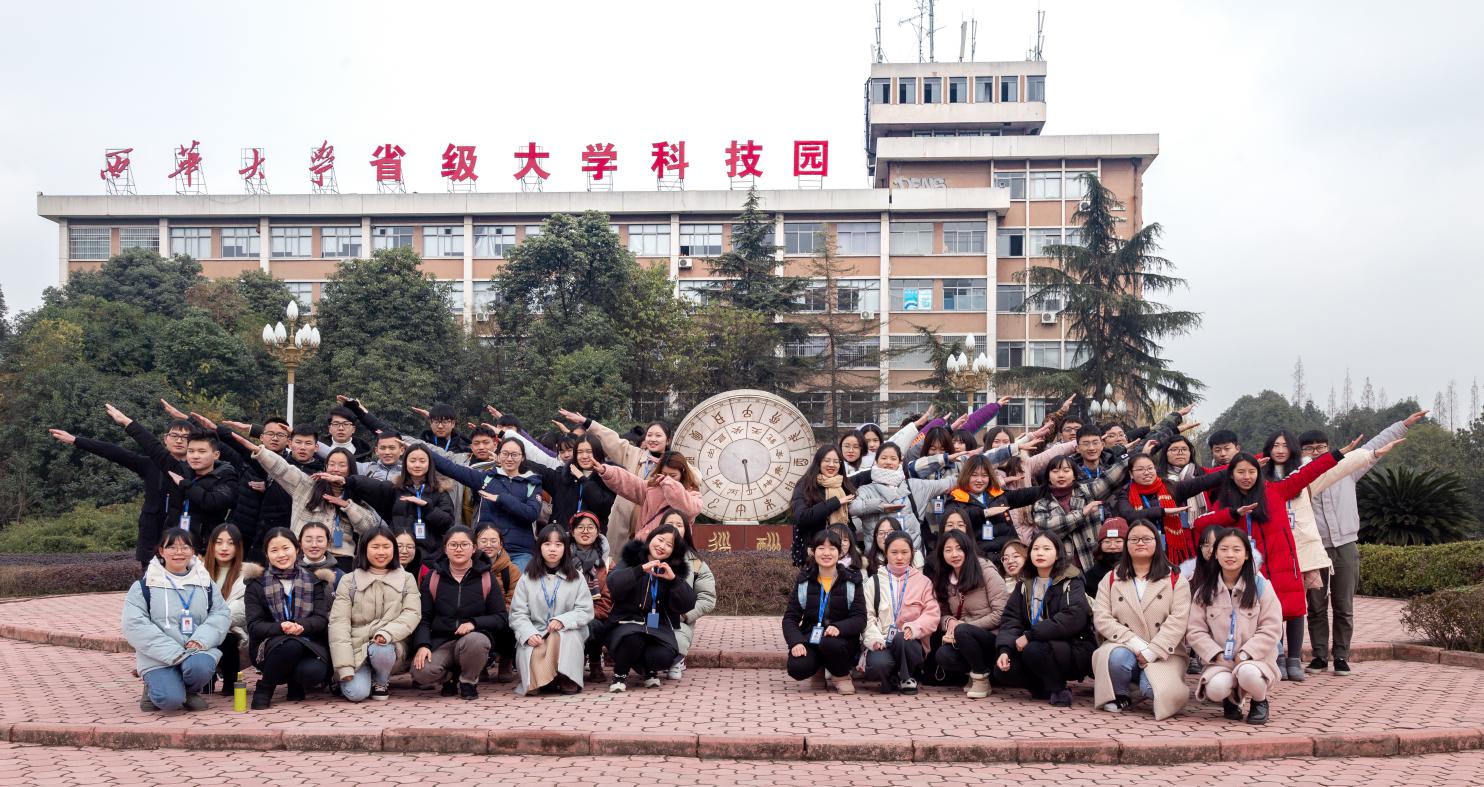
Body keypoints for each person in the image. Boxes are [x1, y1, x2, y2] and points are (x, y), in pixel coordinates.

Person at [1194, 443, 1349, 681]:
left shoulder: (1276, 490)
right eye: (1240, 472)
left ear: (1259, 473)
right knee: (1262, 614)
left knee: (1294, 609)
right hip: (1251, 568)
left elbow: (1308, 472)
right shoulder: (1225, 500)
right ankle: (1276, 658)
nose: (1246, 477)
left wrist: (1336, 454)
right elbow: (1201, 523)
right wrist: (1234, 514)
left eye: (1251, 471)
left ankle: (1293, 658)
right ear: (1231, 475)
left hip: (1283, 562)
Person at [1304, 411, 1421, 676]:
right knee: (1316, 605)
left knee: (1344, 605)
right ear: (1301, 453)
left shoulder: (1346, 470)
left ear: (1329, 448)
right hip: (1314, 549)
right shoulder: (1300, 478)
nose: (1316, 452)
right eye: (1309, 449)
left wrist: (1403, 425)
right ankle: (1319, 656)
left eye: (1320, 447)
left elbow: (1372, 447)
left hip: (1345, 545)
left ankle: (1341, 656)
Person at [51, 405, 192, 569]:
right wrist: (77, 440)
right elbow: (114, 452)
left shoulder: (197, 469)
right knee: (151, 581)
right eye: (174, 435)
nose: (179, 440)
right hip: (152, 539)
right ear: (165, 439)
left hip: (184, 539)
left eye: (185, 437)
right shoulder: (149, 465)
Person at [227, 431, 381, 571]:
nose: (336, 469)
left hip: (341, 561)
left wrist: (348, 506)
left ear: (351, 469)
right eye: (332, 464)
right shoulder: (307, 486)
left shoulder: (358, 497)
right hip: (303, 558)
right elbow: (284, 469)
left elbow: (369, 528)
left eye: (342, 465)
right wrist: (260, 452)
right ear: (325, 467)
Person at [95, 404, 238, 554]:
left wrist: (184, 484)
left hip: (206, 550)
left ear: (216, 455)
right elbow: (154, 449)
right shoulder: (181, 470)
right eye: (191, 451)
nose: (195, 456)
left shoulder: (226, 475)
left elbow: (212, 502)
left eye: (201, 451)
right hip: (175, 548)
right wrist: (128, 423)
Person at [1090, 520, 1192, 719]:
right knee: (1115, 658)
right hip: (1124, 645)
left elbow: (1178, 620)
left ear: (1157, 542)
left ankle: (1140, 687)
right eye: (1134, 539)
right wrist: (1134, 643)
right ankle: (1120, 694)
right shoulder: (1111, 578)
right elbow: (1102, 617)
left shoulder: (1174, 579)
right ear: (1127, 544)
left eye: (1146, 538)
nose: (1140, 543)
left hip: (1164, 652)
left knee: (1152, 691)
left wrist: (1152, 651)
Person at [122, 527, 231, 712]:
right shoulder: (144, 586)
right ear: (161, 551)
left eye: (185, 547)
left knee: (201, 666)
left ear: (193, 551)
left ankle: (189, 691)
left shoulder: (205, 583)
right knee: (170, 701)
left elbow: (221, 613)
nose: (179, 552)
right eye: (171, 547)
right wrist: (174, 652)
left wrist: (201, 640)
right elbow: (134, 625)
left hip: (195, 651)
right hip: (159, 657)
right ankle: (156, 689)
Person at [1187, 527, 1284, 724]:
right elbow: (1195, 631)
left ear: (1247, 554)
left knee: (1248, 673)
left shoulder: (1261, 587)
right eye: (1223, 549)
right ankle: (1232, 698)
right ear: (1215, 554)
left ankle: (1259, 701)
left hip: (1256, 660)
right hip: (1221, 662)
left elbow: (1271, 628)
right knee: (1215, 689)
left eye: (1236, 549)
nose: (1230, 555)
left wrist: (1246, 654)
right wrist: (1215, 654)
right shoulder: (1205, 591)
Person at [561, 409, 684, 559]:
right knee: (614, 563)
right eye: (650, 435)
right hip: (621, 523)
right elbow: (612, 439)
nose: (653, 439)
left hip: (651, 526)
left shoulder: (672, 464)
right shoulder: (634, 454)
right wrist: (586, 422)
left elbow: (692, 477)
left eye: (658, 436)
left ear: (668, 440)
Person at [994, 530, 1095, 707]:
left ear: (1057, 554)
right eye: (1036, 549)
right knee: (1003, 670)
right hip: (1036, 646)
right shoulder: (1025, 583)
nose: (1040, 553)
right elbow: (1011, 619)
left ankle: (1059, 690)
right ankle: (1042, 688)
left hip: (1073, 646)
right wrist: (1005, 650)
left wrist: (1030, 635)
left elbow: (1072, 617)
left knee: (1033, 649)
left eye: (1046, 549)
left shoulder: (1071, 579)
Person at [410, 526, 509, 700]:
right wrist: (423, 645)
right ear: (445, 549)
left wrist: (474, 623)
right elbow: (423, 618)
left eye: (464, 544)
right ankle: (449, 677)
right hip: (441, 642)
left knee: (477, 641)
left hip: (471, 641)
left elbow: (500, 617)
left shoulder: (486, 577)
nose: (459, 549)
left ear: (474, 548)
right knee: (421, 672)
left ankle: (468, 681)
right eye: (453, 545)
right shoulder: (433, 578)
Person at [243, 527, 334, 709]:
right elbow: (254, 625)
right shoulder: (256, 584)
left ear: (297, 549)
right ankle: (265, 688)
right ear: (266, 554)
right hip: (268, 645)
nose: (281, 555)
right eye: (274, 550)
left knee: (314, 671)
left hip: (307, 643)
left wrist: (300, 626)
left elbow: (321, 619)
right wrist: (282, 627)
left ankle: (295, 682)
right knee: (290, 645)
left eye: (286, 548)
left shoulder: (314, 581)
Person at [329, 526, 422, 702]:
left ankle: (381, 681)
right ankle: (354, 678)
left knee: (381, 649)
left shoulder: (407, 579)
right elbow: (339, 624)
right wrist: (344, 667)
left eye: (386, 546)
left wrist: (387, 633)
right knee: (357, 694)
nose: (381, 552)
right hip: (356, 650)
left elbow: (412, 613)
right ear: (364, 549)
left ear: (393, 549)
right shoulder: (349, 581)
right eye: (375, 547)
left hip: (390, 648)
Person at [424, 436, 543, 569]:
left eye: (514, 455)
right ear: (498, 455)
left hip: (519, 552)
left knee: (518, 582)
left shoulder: (532, 482)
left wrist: (500, 499)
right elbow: (451, 468)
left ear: (522, 457)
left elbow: (531, 513)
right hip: (486, 549)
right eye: (505, 454)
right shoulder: (486, 479)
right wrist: (422, 450)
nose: (509, 459)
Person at [604, 525, 698, 692]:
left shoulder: (672, 570)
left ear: (673, 550)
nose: (662, 546)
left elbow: (687, 604)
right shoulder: (631, 558)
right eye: (660, 540)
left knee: (664, 656)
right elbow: (613, 583)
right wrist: (640, 570)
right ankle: (620, 675)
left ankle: (648, 669)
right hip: (624, 623)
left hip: (656, 628)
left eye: (669, 545)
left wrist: (674, 580)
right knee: (633, 639)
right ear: (650, 539)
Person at [510, 524, 595, 696]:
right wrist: (528, 634)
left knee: (563, 636)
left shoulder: (576, 577)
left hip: (567, 632)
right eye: (547, 544)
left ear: (566, 548)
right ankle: (545, 678)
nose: (552, 549)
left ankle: (566, 677)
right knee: (533, 686)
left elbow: (585, 610)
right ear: (539, 547)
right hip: (537, 632)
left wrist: (563, 620)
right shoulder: (527, 578)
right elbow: (517, 613)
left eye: (558, 544)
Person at [783, 529, 866, 694]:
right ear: (813, 552)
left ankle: (841, 676)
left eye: (832, 548)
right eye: (821, 548)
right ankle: (818, 670)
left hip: (841, 642)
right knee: (797, 667)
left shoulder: (851, 580)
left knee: (830, 643)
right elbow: (790, 618)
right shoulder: (804, 580)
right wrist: (796, 642)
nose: (826, 553)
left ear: (840, 552)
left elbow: (860, 618)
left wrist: (840, 628)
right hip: (812, 638)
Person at [851, 443, 973, 554]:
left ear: (900, 462)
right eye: (884, 458)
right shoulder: (865, 490)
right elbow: (852, 508)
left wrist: (974, 467)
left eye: (893, 458)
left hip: (912, 557)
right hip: (878, 559)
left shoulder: (915, 486)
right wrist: (879, 506)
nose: (888, 462)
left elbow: (948, 483)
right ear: (876, 461)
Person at [1029, 448, 1137, 572]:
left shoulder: (1086, 491)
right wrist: (1082, 513)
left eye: (1066, 470)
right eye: (1055, 471)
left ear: (1074, 475)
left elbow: (1109, 479)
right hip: (1063, 569)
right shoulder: (1041, 504)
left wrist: (1135, 457)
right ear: (1048, 476)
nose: (1061, 475)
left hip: (1093, 563)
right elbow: (1048, 529)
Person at [1113, 452, 1226, 567]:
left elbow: (1203, 481)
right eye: (1140, 469)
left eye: (1150, 468)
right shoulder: (1125, 493)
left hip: (1171, 550)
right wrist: (1162, 512)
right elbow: (1128, 515)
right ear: (1131, 474)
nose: (1146, 472)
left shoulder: (1170, 487)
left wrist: (1232, 470)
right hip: (1141, 550)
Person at [861, 531, 940, 694]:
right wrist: (874, 639)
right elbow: (867, 616)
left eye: (904, 552)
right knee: (878, 664)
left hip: (910, 642)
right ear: (886, 553)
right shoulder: (873, 582)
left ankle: (907, 677)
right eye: (894, 552)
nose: (899, 557)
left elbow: (932, 614)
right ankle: (890, 678)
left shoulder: (923, 582)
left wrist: (914, 628)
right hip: (882, 641)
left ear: (912, 553)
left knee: (901, 638)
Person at [932, 529, 1008, 699]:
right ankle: (973, 672)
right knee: (943, 655)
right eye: (948, 550)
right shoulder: (944, 577)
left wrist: (965, 626)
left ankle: (981, 678)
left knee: (962, 631)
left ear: (968, 548)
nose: (954, 554)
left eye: (959, 548)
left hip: (992, 637)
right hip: (964, 637)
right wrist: (949, 622)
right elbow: (940, 613)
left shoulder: (986, 571)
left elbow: (1001, 613)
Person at [345, 444, 456, 560]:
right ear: (405, 463)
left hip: (430, 557)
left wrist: (428, 508)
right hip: (398, 554)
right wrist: (347, 480)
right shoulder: (396, 489)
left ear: (430, 464)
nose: (417, 465)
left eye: (422, 461)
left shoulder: (440, 491)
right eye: (412, 461)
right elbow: (371, 486)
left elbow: (448, 524)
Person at [947, 454, 1042, 566]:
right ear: (966, 475)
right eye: (974, 475)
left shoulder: (997, 494)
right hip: (982, 562)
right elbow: (956, 518)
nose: (979, 480)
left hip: (1010, 557)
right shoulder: (955, 499)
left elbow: (1024, 495)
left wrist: (1048, 488)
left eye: (984, 475)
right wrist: (985, 513)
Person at [591, 451, 703, 543]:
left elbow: (690, 510)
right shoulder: (651, 488)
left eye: (673, 475)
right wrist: (606, 471)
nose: (667, 478)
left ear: (682, 474)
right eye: (664, 474)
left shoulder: (693, 495)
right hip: (644, 546)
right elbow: (630, 482)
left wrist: (670, 485)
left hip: (673, 548)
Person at [655, 509, 715, 681]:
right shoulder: (647, 555)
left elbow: (707, 598)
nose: (674, 528)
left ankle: (676, 660)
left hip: (678, 622)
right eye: (669, 524)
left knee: (675, 644)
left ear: (686, 531)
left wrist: (685, 615)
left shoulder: (696, 564)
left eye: (679, 525)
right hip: (650, 618)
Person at [518, 433, 619, 534]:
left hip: (592, 539)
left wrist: (582, 479)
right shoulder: (563, 476)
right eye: (579, 452)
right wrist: (517, 459)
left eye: (589, 452)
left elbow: (603, 506)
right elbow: (541, 470)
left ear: (597, 452)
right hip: (562, 538)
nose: (584, 456)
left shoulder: (608, 477)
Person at [203, 523, 250, 696]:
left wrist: (216, 622)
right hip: (202, 630)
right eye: (219, 542)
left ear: (238, 547)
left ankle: (230, 682)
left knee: (227, 636)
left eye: (230, 543)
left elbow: (242, 609)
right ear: (211, 545)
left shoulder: (247, 575)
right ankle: (205, 678)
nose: (224, 548)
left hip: (235, 630)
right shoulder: (197, 573)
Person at [790, 445, 857, 567]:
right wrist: (835, 503)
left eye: (836, 461)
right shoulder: (805, 486)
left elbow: (848, 523)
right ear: (818, 462)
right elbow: (802, 517)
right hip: (814, 553)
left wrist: (852, 546)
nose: (832, 465)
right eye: (827, 460)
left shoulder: (842, 484)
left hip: (842, 554)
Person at [472, 524, 523, 682]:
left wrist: (495, 616)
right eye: (483, 541)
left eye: (493, 541)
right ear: (475, 544)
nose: (488, 545)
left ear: (500, 544)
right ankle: (478, 664)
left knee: (512, 620)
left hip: (501, 617)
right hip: (477, 618)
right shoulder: (467, 568)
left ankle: (506, 660)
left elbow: (514, 601)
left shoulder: (511, 570)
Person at [570, 511, 614, 683]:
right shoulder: (562, 560)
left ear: (598, 532)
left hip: (597, 615)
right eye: (580, 527)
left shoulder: (608, 563)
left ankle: (595, 661)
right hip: (568, 613)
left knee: (593, 626)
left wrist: (584, 615)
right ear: (572, 532)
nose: (585, 531)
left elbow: (608, 600)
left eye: (590, 527)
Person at [1082, 517, 1127, 595]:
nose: (1112, 546)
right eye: (1107, 541)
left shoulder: (1137, 570)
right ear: (1100, 545)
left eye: (1118, 541)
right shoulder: (1089, 576)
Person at [297, 521, 345, 589]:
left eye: (320, 540)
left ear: (328, 544)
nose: (314, 545)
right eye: (308, 540)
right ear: (300, 544)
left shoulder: (340, 576)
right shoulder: (290, 571)